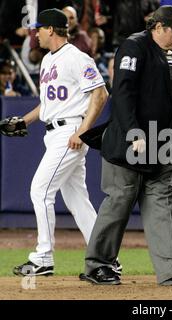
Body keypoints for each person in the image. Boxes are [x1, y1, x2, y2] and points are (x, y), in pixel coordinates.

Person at [82, 5, 172, 286]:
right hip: (129, 143)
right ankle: (98, 265)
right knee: (119, 203)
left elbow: (167, 108)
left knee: (164, 203)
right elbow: (122, 93)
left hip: (160, 144)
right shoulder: (134, 46)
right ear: (159, 27)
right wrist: (134, 133)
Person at [11, 8, 109, 276]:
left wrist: (83, 131)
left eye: (39, 29)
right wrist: (24, 121)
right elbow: (48, 104)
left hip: (70, 133)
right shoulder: (47, 61)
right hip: (55, 132)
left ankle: (43, 256)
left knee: (40, 191)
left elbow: (100, 94)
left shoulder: (77, 58)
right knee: (78, 200)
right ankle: (105, 258)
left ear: (51, 29)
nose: (36, 34)